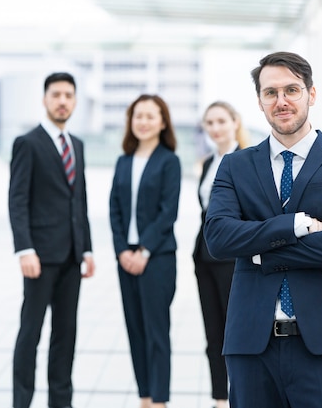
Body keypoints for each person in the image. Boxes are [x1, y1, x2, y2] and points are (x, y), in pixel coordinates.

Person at [204, 51, 322, 408]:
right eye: (271, 93)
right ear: (260, 101)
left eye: (292, 90)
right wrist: (295, 225)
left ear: (311, 94)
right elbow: (218, 239)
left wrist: (256, 248)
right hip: (252, 346)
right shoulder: (234, 166)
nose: (281, 101)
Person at [9, 72, 96, 408]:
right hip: (39, 257)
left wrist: (86, 248)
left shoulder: (77, 145)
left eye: (68, 96)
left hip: (72, 256)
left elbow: (80, 200)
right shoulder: (28, 143)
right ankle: (22, 401)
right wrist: (24, 248)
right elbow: (17, 200)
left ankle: (61, 403)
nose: (62, 101)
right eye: (56, 94)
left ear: (74, 102)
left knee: (65, 335)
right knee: (30, 333)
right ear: (45, 100)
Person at [109, 94, 181, 408]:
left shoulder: (169, 160)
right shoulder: (124, 161)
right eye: (138, 115)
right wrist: (122, 251)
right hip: (126, 259)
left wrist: (144, 251)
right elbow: (114, 209)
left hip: (158, 258)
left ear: (162, 122)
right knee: (135, 331)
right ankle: (145, 397)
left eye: (151, 116)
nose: (144, 121)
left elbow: (169, 212)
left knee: (156, 332)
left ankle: (160, 400)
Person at [193, 101, 250, 408]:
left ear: (235, 122)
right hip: (204, 258)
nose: (215, 128)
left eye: (220, 121)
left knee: (236, 332)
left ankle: (242, 396)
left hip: (233, 260)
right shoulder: (206, 162)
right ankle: (219, 399)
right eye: (209, 123)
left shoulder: (246, 160)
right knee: (213, 333)